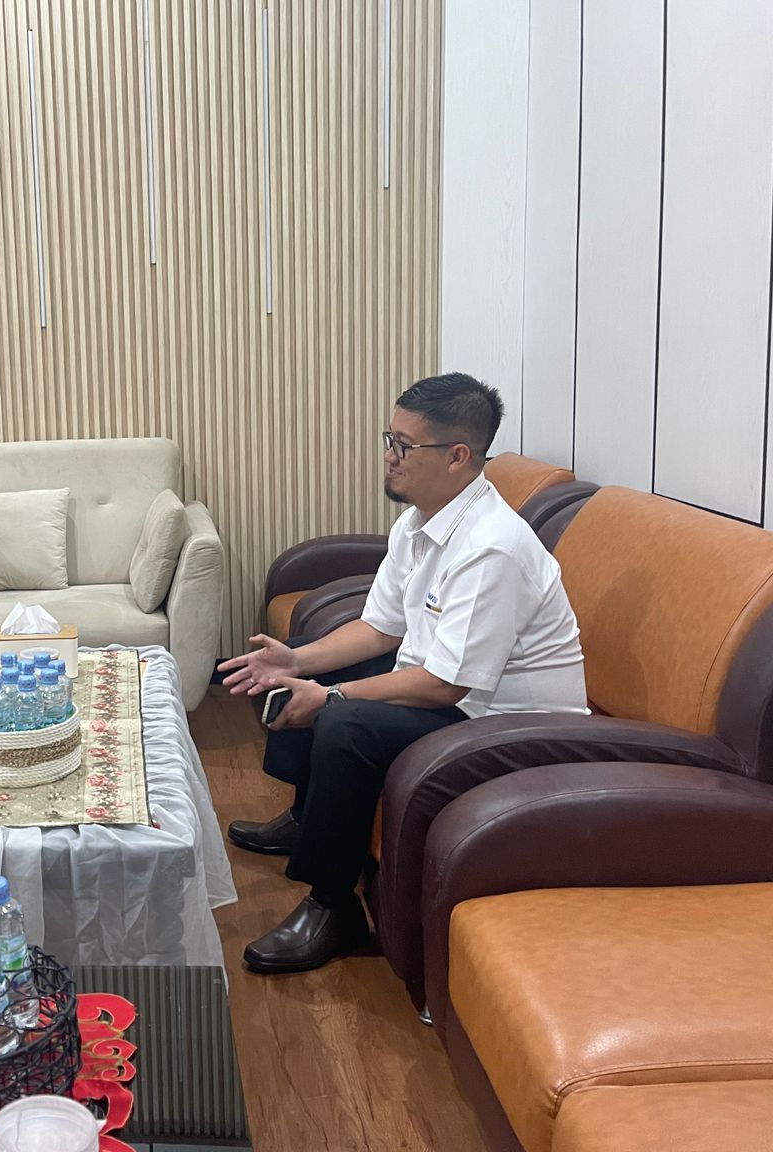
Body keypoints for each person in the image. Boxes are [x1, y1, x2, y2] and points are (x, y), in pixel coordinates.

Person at [223, 373, 586, 974]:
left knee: (344, 721)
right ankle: (308, 818)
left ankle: (332, 905)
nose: (389, 456)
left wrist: (331, 695)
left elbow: (446, 685)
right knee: (310, 656)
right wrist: (296, 662)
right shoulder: (419, 522)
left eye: (404, 446)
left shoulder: (491, 547)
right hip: (460, 695)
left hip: (512, 728)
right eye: (389, 439)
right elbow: (380, 629)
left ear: (458, 456)